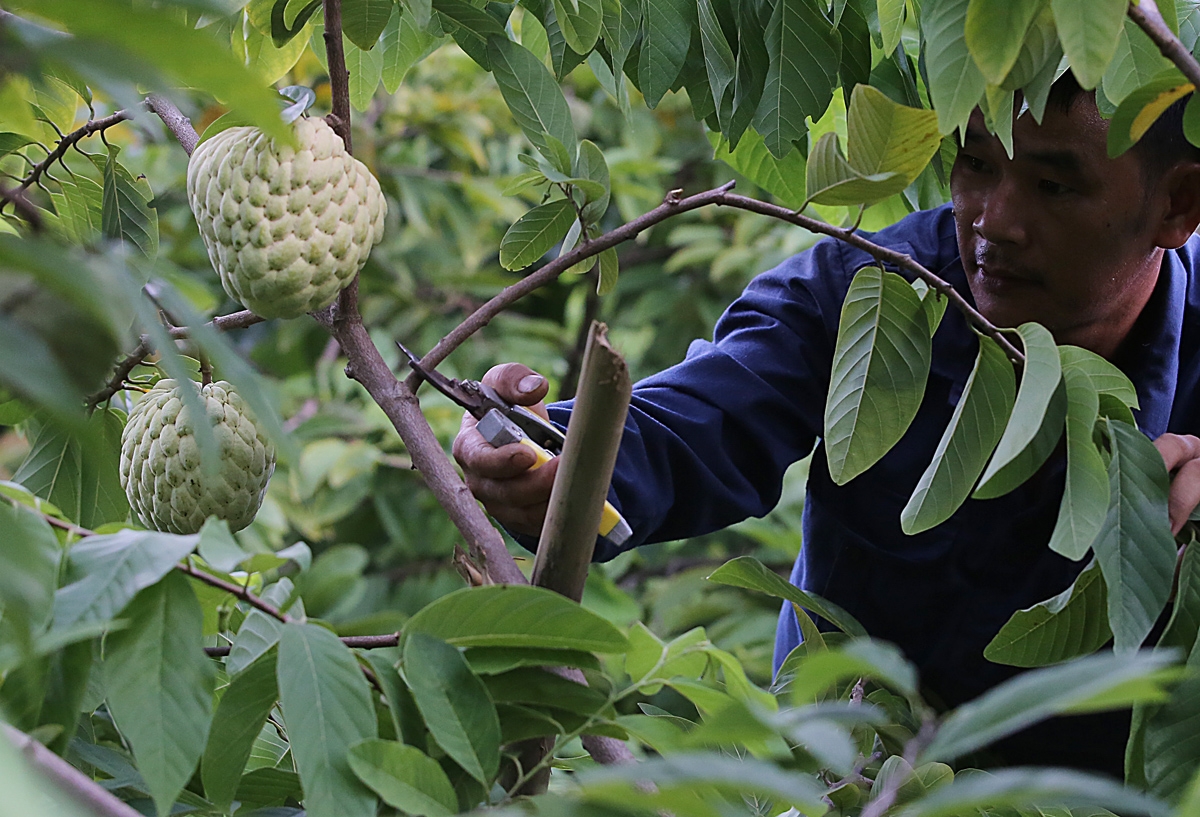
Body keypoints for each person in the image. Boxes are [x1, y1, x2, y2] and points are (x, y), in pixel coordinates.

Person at [452, 75, 1200, 775]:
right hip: (841, 779)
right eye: (975, 163)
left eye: (1053, 184)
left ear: (1178, 204)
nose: (994, 220)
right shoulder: (872, 294)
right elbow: (699, 419)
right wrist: (548, 454)